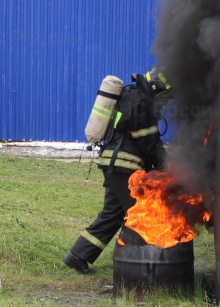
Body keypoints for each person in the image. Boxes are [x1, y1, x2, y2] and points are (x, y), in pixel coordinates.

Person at [63, 69, 172, 274]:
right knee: (139, 213)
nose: (166, 102)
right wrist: (166, 165)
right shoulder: (142, 103)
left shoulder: (131, 96)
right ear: (158, 89)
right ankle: (137, 264)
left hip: (115, 163)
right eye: (166, 96)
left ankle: (77, 257)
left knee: (113, 213)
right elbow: (148, 141)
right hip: (125, 166)